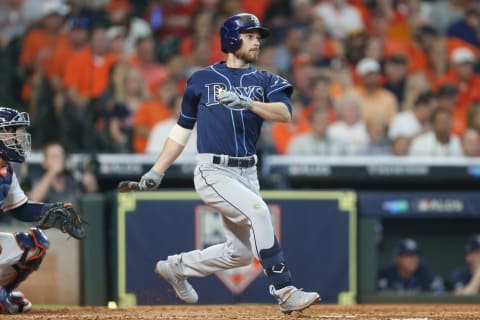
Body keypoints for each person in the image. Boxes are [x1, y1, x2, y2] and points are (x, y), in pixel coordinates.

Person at [135, 13, 320, 314]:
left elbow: (284, 114)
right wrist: (158, 169)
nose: (257, 41)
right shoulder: (201, 79)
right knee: (259, 212)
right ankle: (285, 289)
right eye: (250, 35)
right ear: (232, 39)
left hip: (248, 172)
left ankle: (176, 267)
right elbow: (181, 131)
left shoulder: (265, 79)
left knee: (240, 255)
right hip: (213, 170)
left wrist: (249, 103)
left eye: (258, 36)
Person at [0, 107, 85, 314]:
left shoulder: (6, 169)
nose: (18, 138)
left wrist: (52, 210)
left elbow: (21, 208)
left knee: (35, 243)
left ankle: (3, 293)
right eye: (12, 131)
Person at [27, 142, 98, 204]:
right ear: (45, 162)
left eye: (61, 156)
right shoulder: (40, 182)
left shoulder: (74, 179)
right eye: (54, 156)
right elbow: (34, 200)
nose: (59, 159)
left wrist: (89, 182)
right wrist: (52, 172)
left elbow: (93, 194)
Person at [377, 238, 444, 293]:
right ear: (396, 258)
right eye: (408, 255)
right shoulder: (386, 273)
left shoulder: (425, 271)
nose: (413, 259)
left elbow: (439, 292)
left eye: (415, 255)